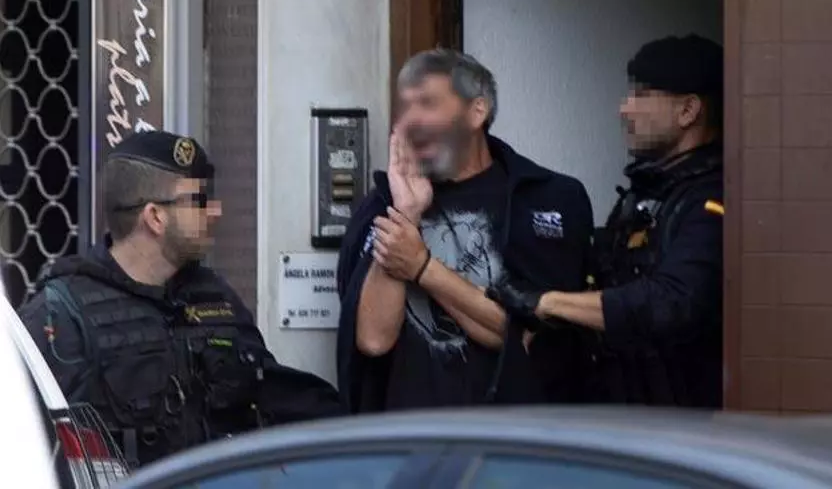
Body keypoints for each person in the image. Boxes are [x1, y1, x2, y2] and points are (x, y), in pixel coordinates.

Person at [18, 131, 341, 467]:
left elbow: (275, 394)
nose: (215, 211)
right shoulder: (62, 314)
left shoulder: (213, 296)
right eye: (199, 201)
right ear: (155, 217)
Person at [336, 49, 596, 412]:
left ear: (477, 111)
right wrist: (406, 213)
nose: (411, 119)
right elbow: (373, 341)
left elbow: (525, 336)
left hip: (513, 434)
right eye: (405, 107)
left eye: (428, 103)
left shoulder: (547, 198)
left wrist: (423, 268)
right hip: (409, 434)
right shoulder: (382, 204)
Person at [490, 34, 725, 408]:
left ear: (688, 110)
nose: (624, 110)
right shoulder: (646, 194)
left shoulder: (711, 200)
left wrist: (548, 303)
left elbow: (674, 300)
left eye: (641, 96)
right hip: (624, 412)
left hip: (685, 423)